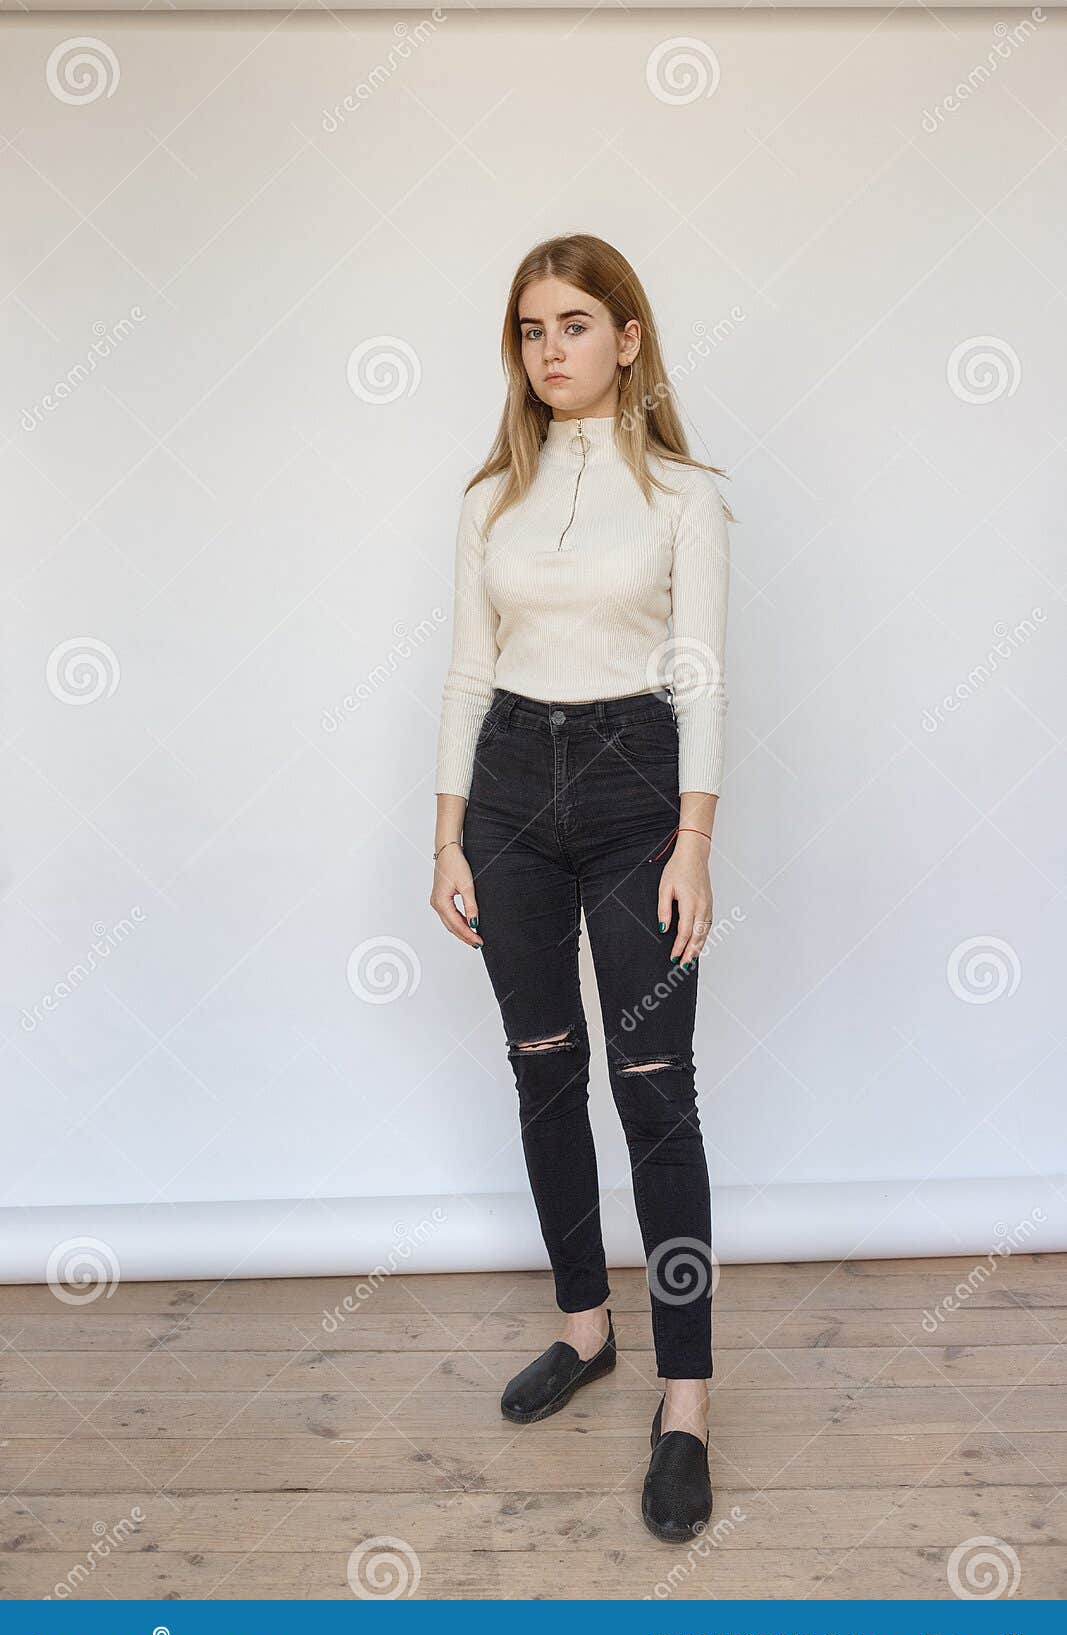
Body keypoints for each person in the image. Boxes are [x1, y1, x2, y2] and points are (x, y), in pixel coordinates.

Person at [429, 232, 733, 1544]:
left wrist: (692, 842)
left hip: (631, 797)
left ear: (628, 338)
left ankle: (686, 1401)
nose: (550, 349)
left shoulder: (681, 495)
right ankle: (585, 1327)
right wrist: (446, 836)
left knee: (654, 1092)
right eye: (531, 329)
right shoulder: (488, 496)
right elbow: (464, 669)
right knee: (543, 1066)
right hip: (506, 793)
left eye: (573, 324)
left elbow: (704, 674)